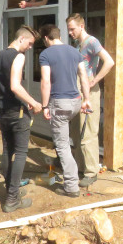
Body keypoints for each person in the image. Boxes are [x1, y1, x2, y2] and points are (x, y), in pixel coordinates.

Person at [0, 25, 43, 212]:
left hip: (2, 110)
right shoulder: (18, 56)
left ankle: (10, 191)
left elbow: (5, 86)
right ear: (21, 39)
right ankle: (12, 199)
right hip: (16, 112)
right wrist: (34, 103)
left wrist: (25, 100)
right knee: (21, 153)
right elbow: (15, 86)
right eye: (29, 43)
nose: (30, 48)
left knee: (7, 151)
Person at [39, 24, 91, 198]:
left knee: (62, 146)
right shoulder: (75, 52)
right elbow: (83, 76)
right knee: (67, 141)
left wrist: (45, 105)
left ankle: (71, 186)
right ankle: (72, 172)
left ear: (46, 38)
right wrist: (87, 99)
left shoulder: (46, 54)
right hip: (76, 102)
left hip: (59, 104)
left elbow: (46, 81)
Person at [66, 13, 114, 187]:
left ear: (81, 26)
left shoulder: (91, 41)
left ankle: (91, 172)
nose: (70, 32)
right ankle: (80, 166)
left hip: (89, 91)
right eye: (68, 29)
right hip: (79, 89)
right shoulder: (80, 45)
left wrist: (94, 80)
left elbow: (109, 62)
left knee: (88, 132)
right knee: (78, 132)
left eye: (72, 29)